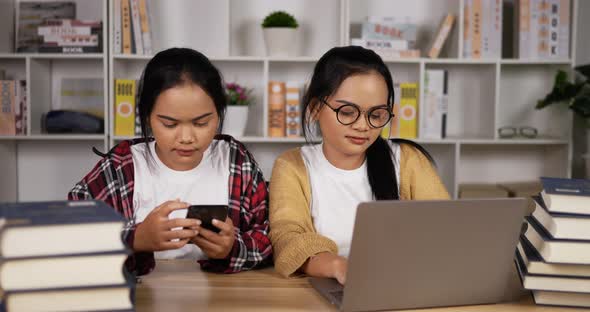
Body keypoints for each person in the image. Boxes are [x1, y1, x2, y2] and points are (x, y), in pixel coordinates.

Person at [69, 48, 272, 275]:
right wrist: (135, 239)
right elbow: (75, 232)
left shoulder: (235, 160)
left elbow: (270, 234)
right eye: (169, 124)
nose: (186, 138)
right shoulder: (122, 165)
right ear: (147, 117)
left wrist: (233, 248)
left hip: (222, 297)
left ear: (218, 114)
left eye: (201, 123)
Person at [269, 46, 450, 284]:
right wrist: (338, 266)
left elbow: (446, 228)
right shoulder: (292, 166)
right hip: (327, 292)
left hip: (404, 286)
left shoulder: (408, 160)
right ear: (314, 109)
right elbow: (287, 238)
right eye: (347, 112)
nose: (363, 126)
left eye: (376, 115)